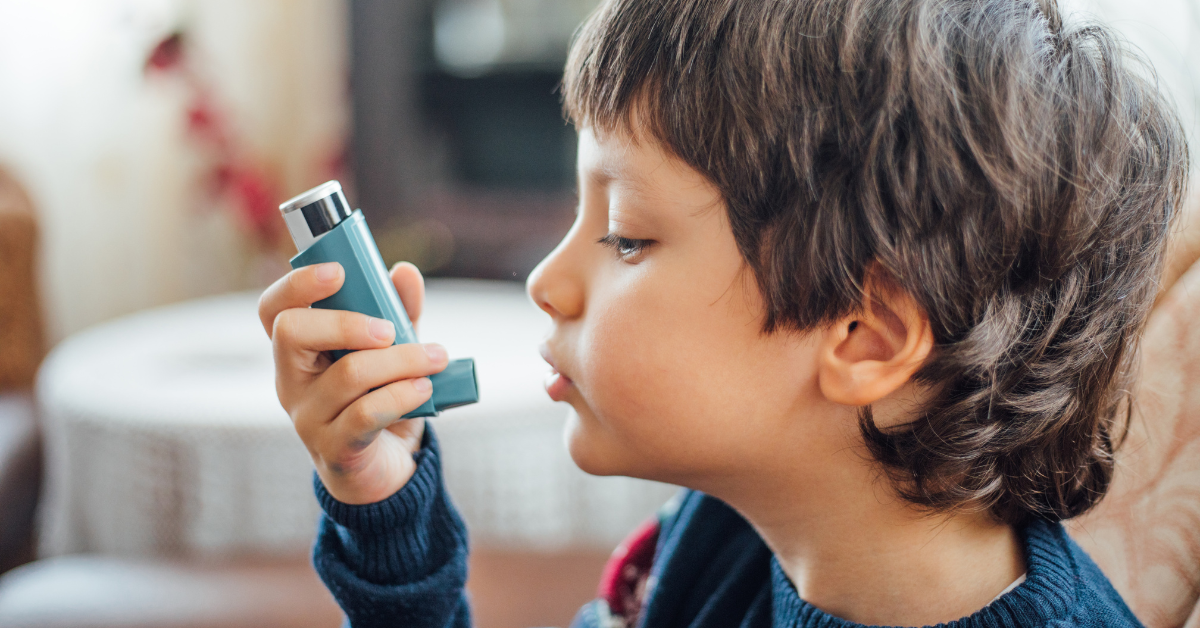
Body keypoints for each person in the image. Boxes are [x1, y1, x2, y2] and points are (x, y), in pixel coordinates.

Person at [257, 0, 1189, 625]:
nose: (546, 280)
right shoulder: (733, 528)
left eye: (623, 236)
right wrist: (382, 496)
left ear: (865, 340)